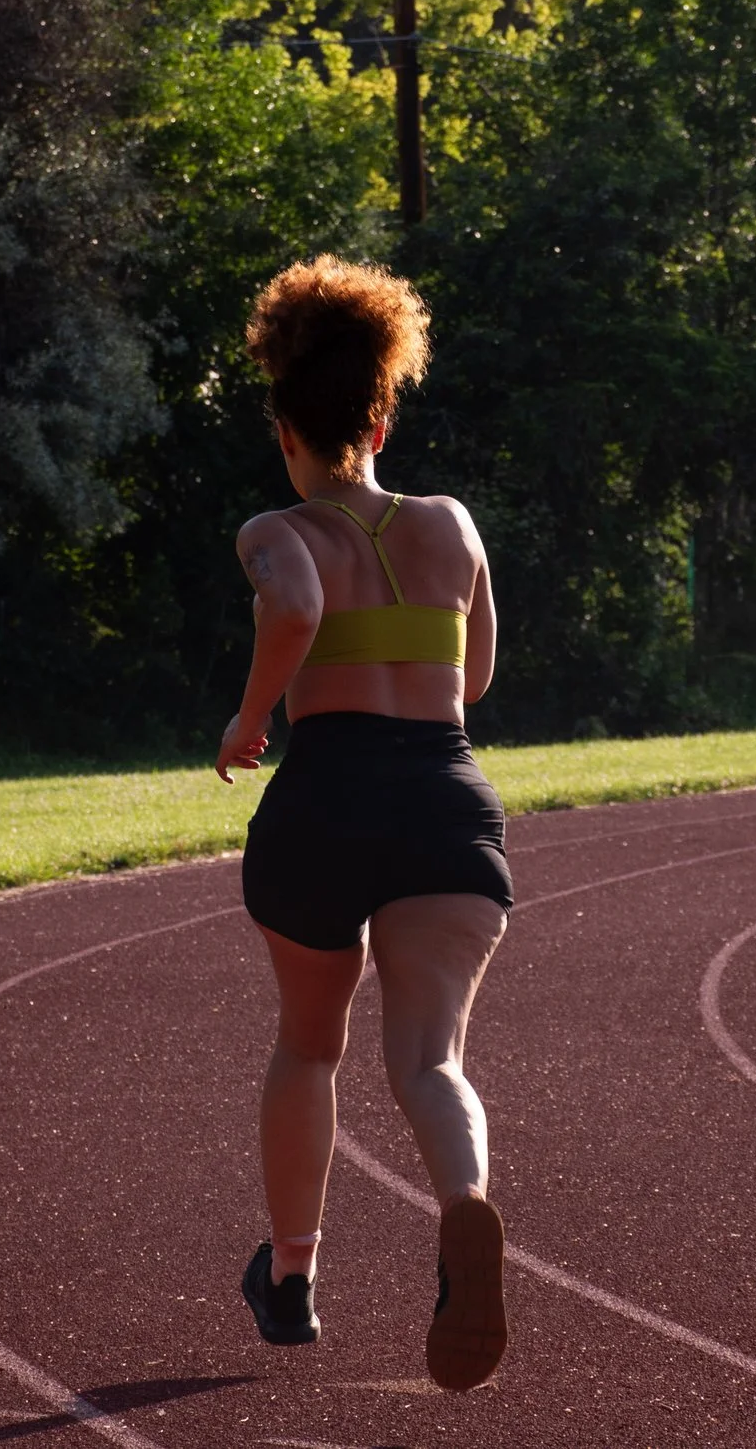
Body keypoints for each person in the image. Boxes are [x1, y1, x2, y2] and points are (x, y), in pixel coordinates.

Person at [213, 256, 511, 1393]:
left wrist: (248, 719)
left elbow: (291, 606)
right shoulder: (450, 523)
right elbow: (475, 679)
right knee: (429, 1055)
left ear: (283, 423)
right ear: (382, 413)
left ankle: (290, 1282)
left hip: (325, 799)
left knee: (309, 1043)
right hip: (445, 800)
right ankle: (464, 1203)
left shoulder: (276, 528)